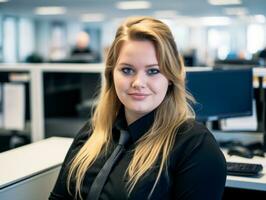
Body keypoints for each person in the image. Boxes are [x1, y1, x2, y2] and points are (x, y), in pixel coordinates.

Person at [49, 16, 226, 200]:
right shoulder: (92, 132)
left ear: (171, 77)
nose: (138, 83)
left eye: (153, 71)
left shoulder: (195, 146)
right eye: (127, 70)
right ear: (111, 74)